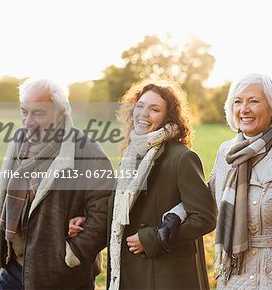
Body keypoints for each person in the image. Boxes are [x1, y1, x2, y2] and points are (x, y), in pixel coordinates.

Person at [68, 79, 216, 289]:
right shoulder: (132, 155)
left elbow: (205, 218)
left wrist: (152, 238)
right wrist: (85, 221)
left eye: (154, 109)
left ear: (168, 116)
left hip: (166, 276)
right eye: (140, 106)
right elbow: (122, 211)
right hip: (130, 271)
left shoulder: (182, 158)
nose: (143, 114)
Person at [0, 78, 112, 289]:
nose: (28, 121)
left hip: (63, 276)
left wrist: (72, 254)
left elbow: (105, 210)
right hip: (14, 270)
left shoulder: (86, 150)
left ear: (60, 111)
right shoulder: (18, 142)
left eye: (38, 112)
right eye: (24, 111)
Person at [208, 73, 272, 289]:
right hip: (232, 276)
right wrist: (176, 215)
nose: (244, 109)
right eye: (237, 102)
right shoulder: (226, 152)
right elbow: (206, 196)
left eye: (254, 101)